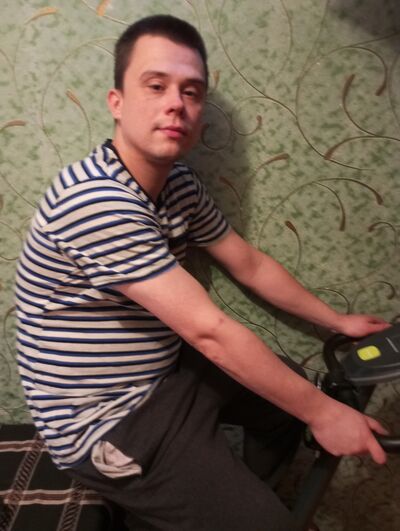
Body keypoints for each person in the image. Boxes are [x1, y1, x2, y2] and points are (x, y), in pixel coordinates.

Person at [15, 14, 390, 531]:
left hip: (164, 376)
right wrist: (325, 414)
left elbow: (248, 263)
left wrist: (337, 321)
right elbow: (209, 332)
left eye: (191, 91)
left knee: (287, 400)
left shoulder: (178, 185)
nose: (176, 103)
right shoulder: (96, 201)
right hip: (108, 421)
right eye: (156, 86)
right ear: (116, 102)